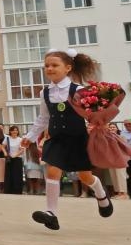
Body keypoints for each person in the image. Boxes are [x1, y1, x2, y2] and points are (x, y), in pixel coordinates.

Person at [22, 48, 113, 231]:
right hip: (56, 139)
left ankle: (101, 194)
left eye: (55, 65)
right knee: (52, 172)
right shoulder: (45, 93)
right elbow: (44, 118)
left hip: (78, 140)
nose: (50, 68)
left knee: (85, 176)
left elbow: (94, 114)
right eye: (47, 65)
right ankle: (51, 214)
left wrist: (98, 123)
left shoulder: (79, 90)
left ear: (68, 68)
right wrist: (30, 136)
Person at [4, 125, 25, 195]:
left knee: (17, 175)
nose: (15, 131)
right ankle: (8, 190)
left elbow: (22, 150)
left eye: (16, 130)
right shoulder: (7, 138)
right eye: (13, 130)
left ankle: (17, 190)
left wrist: (15, 155)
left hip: (17, 159)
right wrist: (5, 152)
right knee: (9, 175)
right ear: (10, 131)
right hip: (9, 159)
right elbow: (2, 146)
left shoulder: (20, 139)